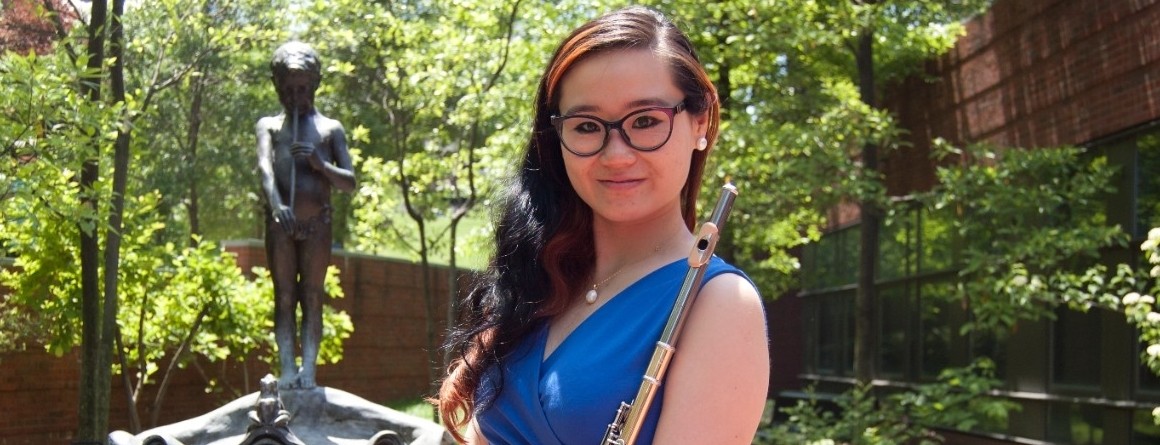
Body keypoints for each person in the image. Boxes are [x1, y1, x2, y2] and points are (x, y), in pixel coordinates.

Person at [436, 6, 769, 444]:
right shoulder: (542, 282)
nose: (616, 155)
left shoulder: (721, 303)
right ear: (557, 139)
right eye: (587, 126)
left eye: (646, 120)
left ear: (700, 120)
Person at [256, 41, 356, 389]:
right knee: (283, 296)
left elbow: (349, 182)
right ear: (279, 87)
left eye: (302, 88)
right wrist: (277, 206)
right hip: (282, 225)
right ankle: (286, 369)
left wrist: (319, 164)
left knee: (312, 295)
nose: (296, 95)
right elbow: (265, 169)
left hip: (317, 226)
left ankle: (308, 372)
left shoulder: (330, 130)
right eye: (289, 89)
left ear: (314, 85)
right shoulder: (268, 126)